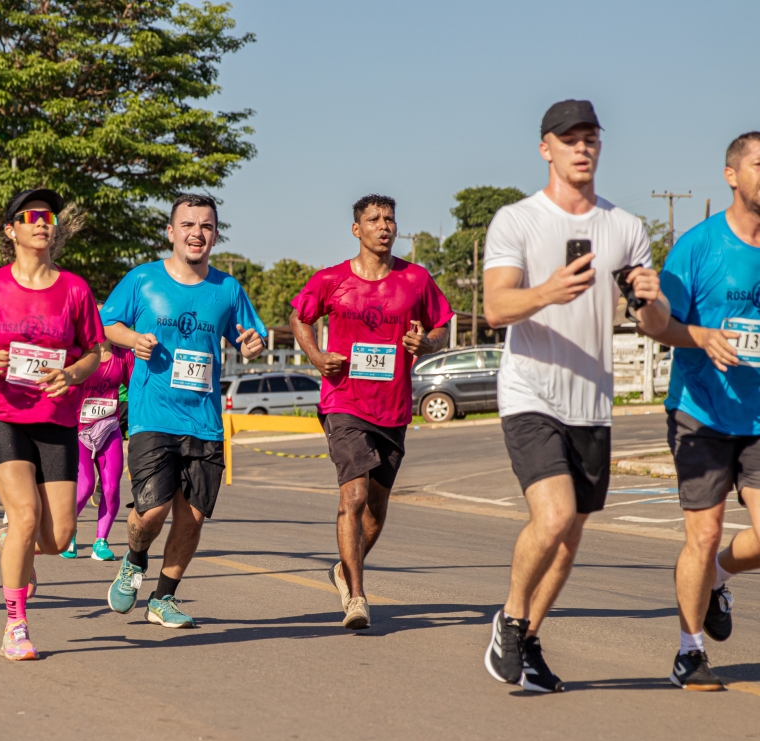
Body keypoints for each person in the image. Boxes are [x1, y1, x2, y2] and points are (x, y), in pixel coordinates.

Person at [481, 100, 662, 692]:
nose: (581, 148)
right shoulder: (517, 220)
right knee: (554, 515)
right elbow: (495, 306)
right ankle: (510, 620)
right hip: (530, 390)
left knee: (568, 538)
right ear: (546, 149)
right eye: (569, 139)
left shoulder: (625, 227)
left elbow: (653, 322)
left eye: (590, 138)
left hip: (592, 401)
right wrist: (548, 291)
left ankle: (529, 643)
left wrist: (649, 297)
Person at [0, 189, 103, 660]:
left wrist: (72, 374)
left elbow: (94, 353)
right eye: (31, 216)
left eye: (48, 216)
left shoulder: (74, 289)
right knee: (24, 514)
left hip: (57, 418)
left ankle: (11, 543)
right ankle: (15, 626)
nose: (42, 222)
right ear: (11, 229)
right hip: (2, 415)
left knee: (58, 539)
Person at [101, 194, 266, 629]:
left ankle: (163, 598)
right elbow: (107, 322)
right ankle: (135, 558)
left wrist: (252, 344)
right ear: (171, 231)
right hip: (152, 415)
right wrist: (132, 340)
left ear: (215, 235)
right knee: (151, 511)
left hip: (205, 421)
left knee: (192, 517)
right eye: (188, 224)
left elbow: (251, 337)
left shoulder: (227, 289)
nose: (197, 233)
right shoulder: (143, 279)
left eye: (206, 226)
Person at [289, 194, 453, 629]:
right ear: (356, 229)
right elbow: (299, 316)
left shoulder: (416, 279)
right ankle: (357, 598)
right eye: (374, 219)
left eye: (389, 219)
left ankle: (344, 570)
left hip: (393, 409)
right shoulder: (331, 279)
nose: (384, 226)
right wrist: (316, 357)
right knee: (354, 496)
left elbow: (441, 325)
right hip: (343, 401)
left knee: (376, 511)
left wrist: (427, 343)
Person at [635, 132, 760, 691]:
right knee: (703, 534)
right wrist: (701, 336)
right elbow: (658, 323)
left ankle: (716, 579)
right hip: (700, 411)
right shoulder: (698, 246)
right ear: (732, 176)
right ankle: (690, 652)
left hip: (758, 415)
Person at [63, 342, 134, 561]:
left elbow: (137, 388)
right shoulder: (78, 352)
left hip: (109, 427)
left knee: (111, 488)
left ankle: (101, 541)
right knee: (85, 487)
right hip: (78, 429)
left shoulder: (123, 355)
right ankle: (68, 532)